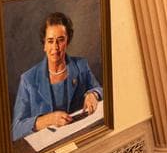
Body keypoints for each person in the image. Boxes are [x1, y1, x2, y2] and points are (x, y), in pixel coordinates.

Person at [12, 12, 104, 141]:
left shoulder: (81, 65)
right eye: (50, 41)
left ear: (67, 41)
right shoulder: (28, 79)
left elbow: (101, 89)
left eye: (60, 40)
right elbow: (16, 130)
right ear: (44, 44)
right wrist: (48, 119)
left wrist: (93, 94)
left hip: (79, 138)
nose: (55, 47)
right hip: (48, 146)